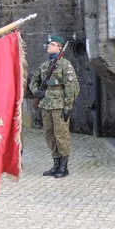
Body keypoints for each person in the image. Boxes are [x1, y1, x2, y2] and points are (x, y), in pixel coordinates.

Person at [28, 35, 80, 178]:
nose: (48, 46)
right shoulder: (44, 65)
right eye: (48, 44)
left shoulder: (65, 65)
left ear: (59, 47)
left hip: (59, 105)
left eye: (51, 44)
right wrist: (36, 91)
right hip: (46, 105)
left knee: (61, 135)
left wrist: (68, 106)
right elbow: (33, 81)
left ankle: (64, 166)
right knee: (49, 134)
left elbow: (72, 86)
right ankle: (56, 163)